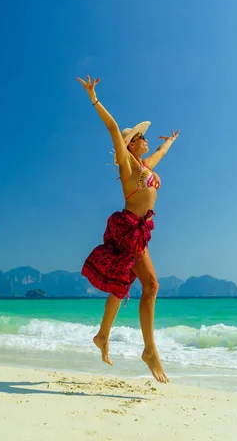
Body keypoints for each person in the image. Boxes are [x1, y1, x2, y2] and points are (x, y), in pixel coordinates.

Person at [77, 75, 179, 384]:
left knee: (122, 286)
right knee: (151, 286)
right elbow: (112, 128)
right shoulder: (128, 165)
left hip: (139, 229)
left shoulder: (146, 165)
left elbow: (158, 156)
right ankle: (149, 351)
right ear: (131, 143)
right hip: (128, 229)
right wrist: (94, 97)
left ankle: (102, 335)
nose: (146, 139)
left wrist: (169, 143)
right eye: (142, 137)